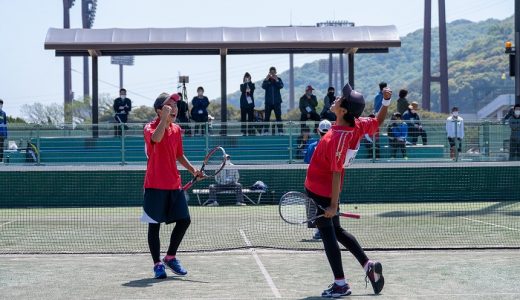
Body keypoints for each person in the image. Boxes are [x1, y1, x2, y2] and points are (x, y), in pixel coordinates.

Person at [304, 83, 389, 297]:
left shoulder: (338, 137)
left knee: (328, 235)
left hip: (321, 193)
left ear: (343, 110)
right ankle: (368, 266)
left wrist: (332, 205)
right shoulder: (357, 124)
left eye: (341, 98)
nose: (336, 98)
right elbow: (378, 121)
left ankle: (341, 284)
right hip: (325, 191)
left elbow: (335, 171)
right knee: (338, 232)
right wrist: (386, 102)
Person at [141, 92, 202, 279]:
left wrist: (193, 170)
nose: (174, 109)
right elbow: (157, 139)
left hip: (174, 185)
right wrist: (164, 120)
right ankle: (157, 264)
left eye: (175, 106)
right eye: (169, 106)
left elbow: (179, 155)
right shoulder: (149, 128)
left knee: (184, 220)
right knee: (154, 225)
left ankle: (170, 257)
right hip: (154, 185)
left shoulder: (176, 130)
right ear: (159, 110)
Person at [303, 119, 332, 240]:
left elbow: (308, 163)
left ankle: (319, 231)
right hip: (330, 184)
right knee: (328, 206)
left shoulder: (311, 146)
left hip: (314, 184)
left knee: (314, 207)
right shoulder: (336, 146)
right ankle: (328, 230)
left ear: (317, 131)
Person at [262, 66, 284, 135]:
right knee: (267, 118)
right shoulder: (267, 80)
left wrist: (276, 80)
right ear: (269, 73)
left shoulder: (279, 79)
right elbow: (263, 86)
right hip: (268, 102)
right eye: (271, 73)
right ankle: (266, 131)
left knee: (278, 117)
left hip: (277, 102)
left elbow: (281, 86)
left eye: (274, 73)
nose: (272, 74)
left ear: (276, 73)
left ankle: (280, 131)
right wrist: (266, 79)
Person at [0, 99, 7, 163]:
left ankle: (1, 160)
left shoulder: (3, 113)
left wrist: (6, 135)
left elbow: (5, 125)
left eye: (1, 104)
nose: (0, 105)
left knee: (1, 147)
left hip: (2, 134)